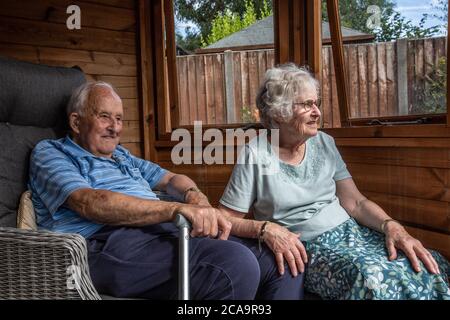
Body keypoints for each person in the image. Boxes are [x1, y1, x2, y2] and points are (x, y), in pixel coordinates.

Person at [28, 81, 303, 300]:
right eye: (104, 117)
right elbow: (89, 202)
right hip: (100, 244)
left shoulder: (121, 156)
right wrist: (175, 209)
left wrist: (194, 196)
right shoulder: (51, 153)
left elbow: (172, 179)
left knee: (283, 260)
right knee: (235, 263)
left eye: (119, 119)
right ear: (76, 123)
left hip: (157, 231)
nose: (115, 128)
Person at [218, 63, 450, 300]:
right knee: (373, 277)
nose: (317, 112)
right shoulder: (255, 154)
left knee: (425, 262)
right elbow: (225, 219)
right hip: (309, 249)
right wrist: (265, 230)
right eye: (307, 105)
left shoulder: (325, 143)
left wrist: (392, 226)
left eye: (316, 103)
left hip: (353, 234)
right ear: (279, 113)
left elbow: (356, 203)